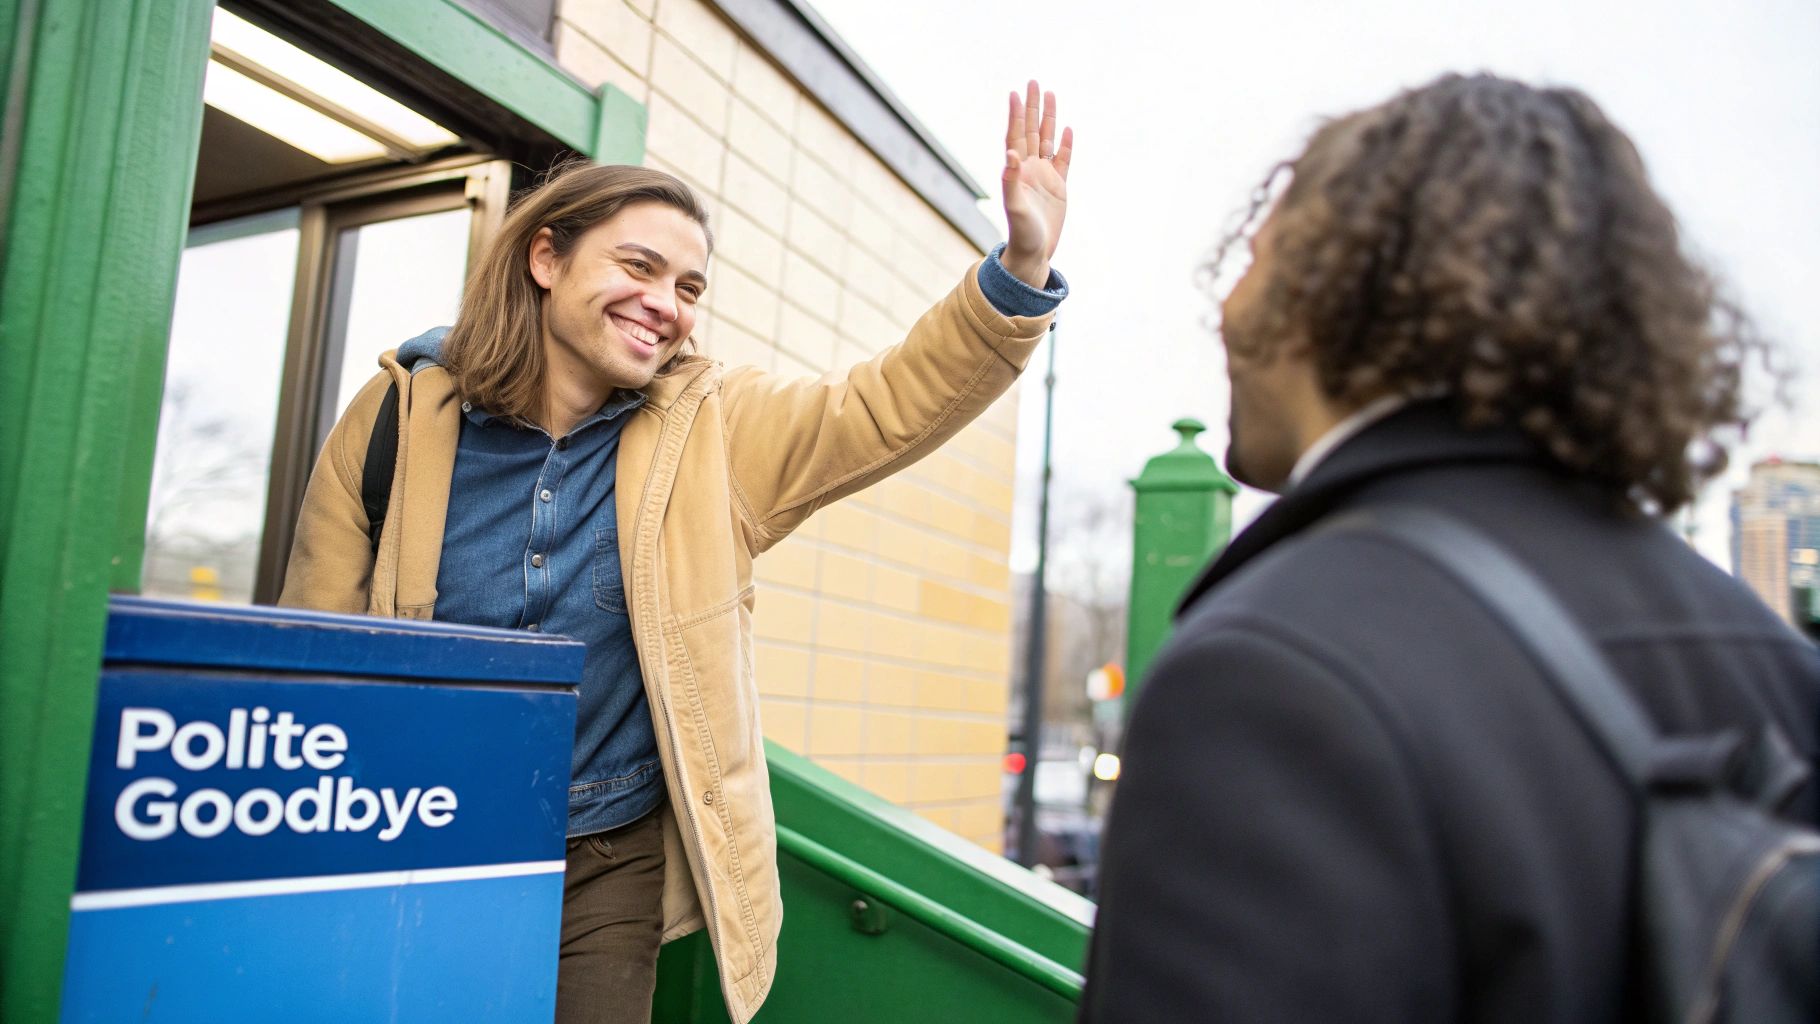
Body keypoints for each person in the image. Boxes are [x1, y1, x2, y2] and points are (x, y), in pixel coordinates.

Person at [280, 82, 1073, 1024]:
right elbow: (313, 650)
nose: (666, 305)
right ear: (546, 256)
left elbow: (884, 406)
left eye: (688, 288)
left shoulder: (715, 433)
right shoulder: (396, 419)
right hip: (414, 832)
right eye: (640, 267)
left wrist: (1020, 266)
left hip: (604, 862)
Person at [1081, 73, 1819, 1022]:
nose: (1224, 306)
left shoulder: (1268, 676)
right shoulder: (1775, 663)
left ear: (1327, 283)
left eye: (1255, 256)